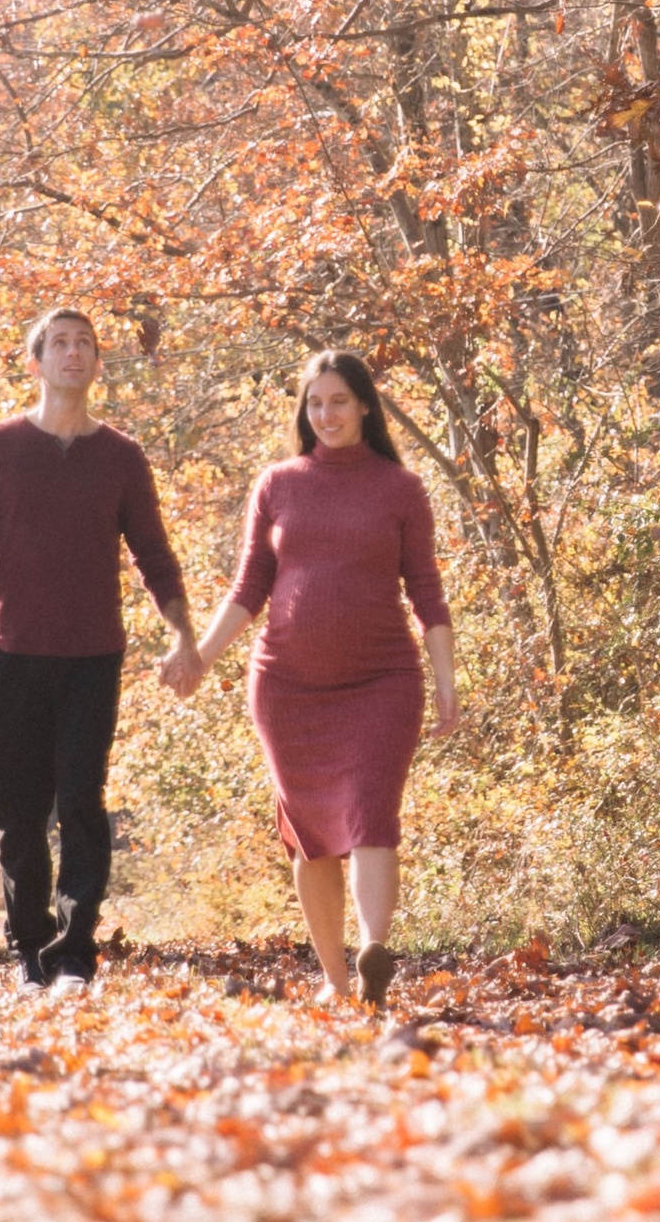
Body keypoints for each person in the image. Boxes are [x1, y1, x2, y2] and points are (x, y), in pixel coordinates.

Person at [179, 349, 458, 1005]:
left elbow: (428, 596)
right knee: (309, 837)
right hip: (287, 687)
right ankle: (338, 981)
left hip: (382, 682)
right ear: (304, 412)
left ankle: (371, 950)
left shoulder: (401, 490)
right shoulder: (278, 484)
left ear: (366, 406)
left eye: (338, 400)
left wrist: (447, 686)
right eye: (315, 403)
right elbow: (250, 587)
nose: (326, 413)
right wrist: (201, 655)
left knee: (369, 817)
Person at [0, 306, 195, 984]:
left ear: (96, 362)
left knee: (82, 801)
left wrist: (183, 638)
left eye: (84, 344)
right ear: (37, 361)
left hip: (93, 656)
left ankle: (76, 952)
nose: (73, 354)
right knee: (19, 810)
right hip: (15, 653)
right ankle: (30, 951)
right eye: (59, 343)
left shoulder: (121, 457)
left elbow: (155, 557)